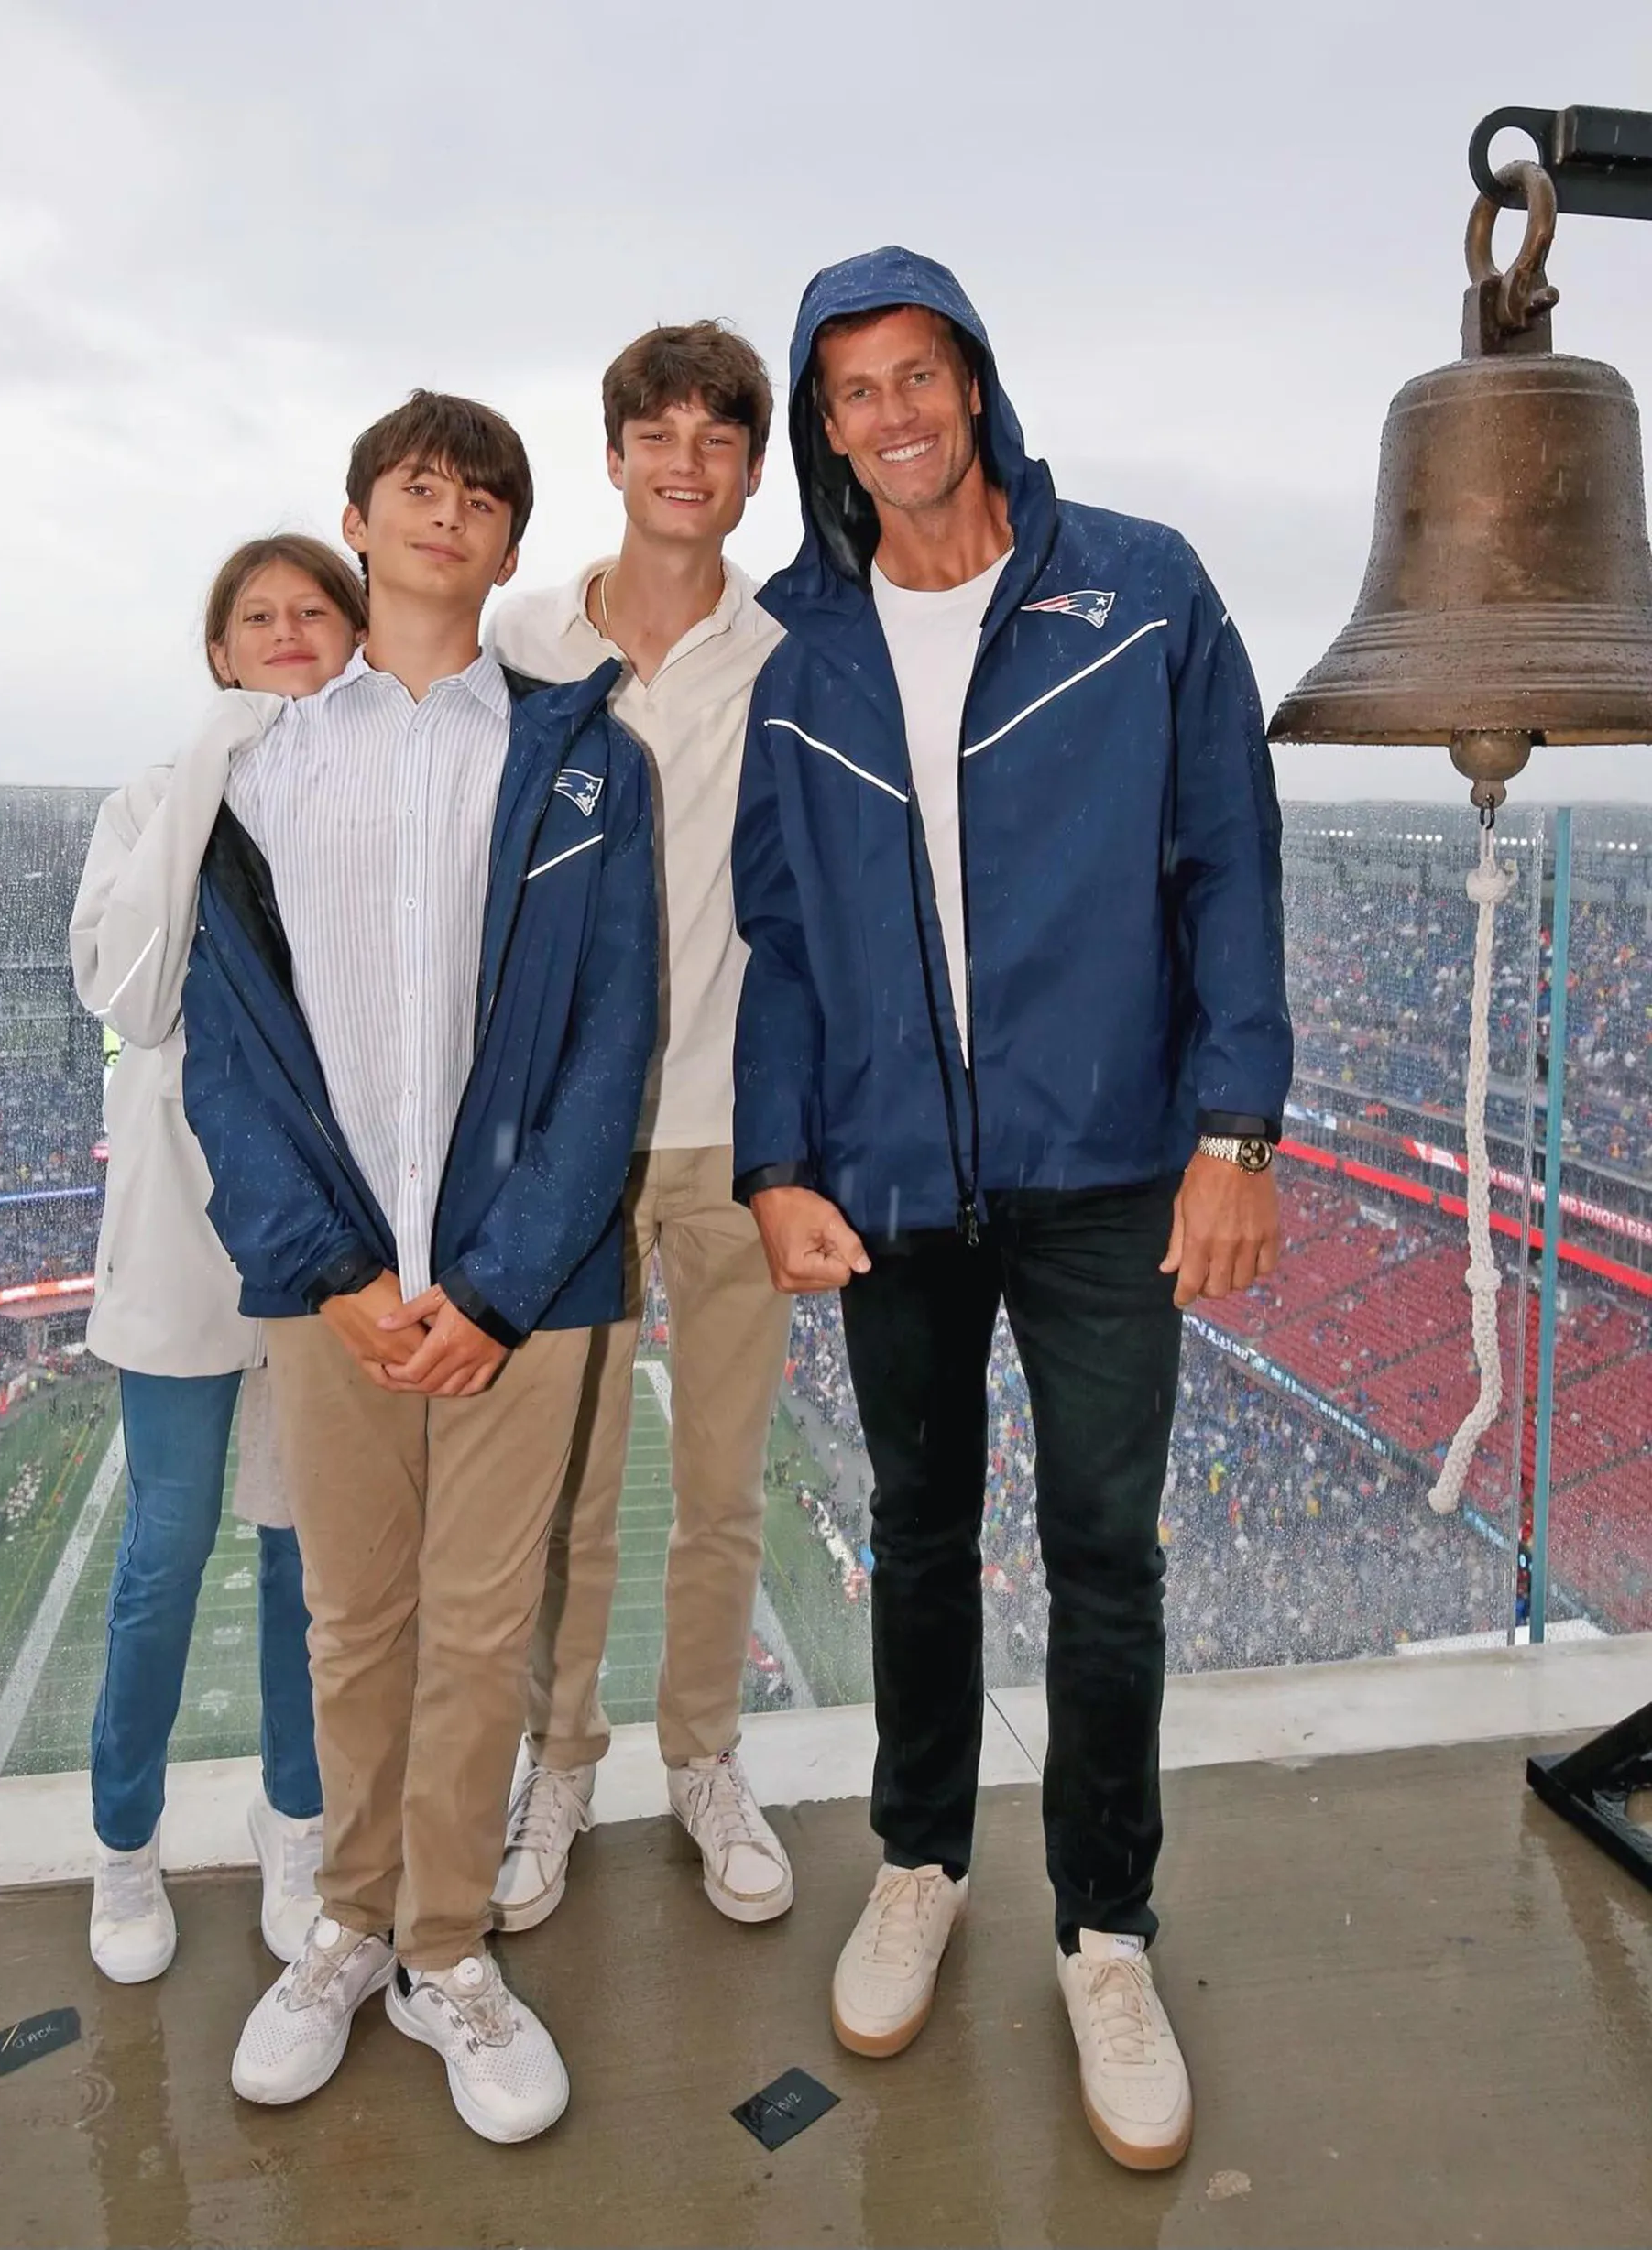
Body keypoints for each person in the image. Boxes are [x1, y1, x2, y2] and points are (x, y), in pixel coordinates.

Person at [732, 247, 1291, 2172]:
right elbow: (782, 935)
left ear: (972, 387)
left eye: (917, 375)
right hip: (890, 1172)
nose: (889, 413)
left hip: (1107, 1160)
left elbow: (1227, 859)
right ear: (825, 425)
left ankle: (1106, 1930)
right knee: (912, 1528)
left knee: (1105, 1552)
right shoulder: (800, 647)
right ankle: (917, 1857)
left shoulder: (1136, 589)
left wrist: (1239, 1127)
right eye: (851, 389)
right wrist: (776, 1161)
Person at [181, 389, 656, 2145]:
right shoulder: (258, 766)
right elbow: (226, 1046)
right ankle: (348, 1926)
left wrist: (505, 1282)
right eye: (413, 485)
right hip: (334, 1283)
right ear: (360, 521)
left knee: (476, 1629)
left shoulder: (588, 756)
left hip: (513, 1288)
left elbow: (616, 1039)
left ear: (512, 546)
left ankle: (446, 1946)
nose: (444, 510)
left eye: (480, 494)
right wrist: (324, 1270)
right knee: (351, 1620)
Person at [487, 322, 793, 1932]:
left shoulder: (791, 643)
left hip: (739, 1132)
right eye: (657, 431)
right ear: (611, 456)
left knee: (727, 1483)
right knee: (569, 1493)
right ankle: (557, 1764)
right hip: (571, 1139)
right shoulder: (520, 636)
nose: (686, 460)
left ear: (751, 469)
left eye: (718, 437)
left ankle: (703, 1757)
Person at [71, 533, 367, 1984]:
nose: (288, 630)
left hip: (321, 1239)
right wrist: (208, 768)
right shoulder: (146, 801)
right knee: (163, 1559)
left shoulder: (372, 798)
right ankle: (124, 1848)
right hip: (183, 1248)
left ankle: (294, 1824)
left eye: (316, 608)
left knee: (308, 1563)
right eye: (257, 615)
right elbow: (127, 984)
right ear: (217, 651)